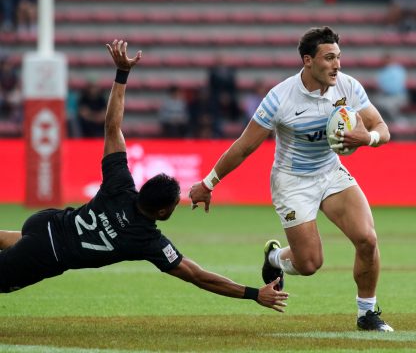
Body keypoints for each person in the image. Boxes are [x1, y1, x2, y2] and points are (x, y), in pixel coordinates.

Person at [0, 40, 289, 314]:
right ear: (162, 210)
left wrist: (122, 73)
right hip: (48, 252)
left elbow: (112, 127)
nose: (177, 206)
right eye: (175, 204)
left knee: (19, 242)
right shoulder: (146, 240)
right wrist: (254, 294)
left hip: (45, 222)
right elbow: (198, 277)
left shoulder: (120, 184)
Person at [189, 26, 393, 331]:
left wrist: (369, 138)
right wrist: (208, 183)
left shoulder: (348, 87)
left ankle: (367, 313)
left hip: (330, 172)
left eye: (338, 57)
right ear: (308, 60)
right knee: (310, 264)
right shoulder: (280, 98)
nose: (337, 64)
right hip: (293, 181)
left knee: (367, 239)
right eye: (329, 57)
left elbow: (382, 128)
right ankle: (274, 257)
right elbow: (245, 146)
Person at [373, 54, 408, 124]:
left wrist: (385, 89)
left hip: (398, 96)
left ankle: (399, 121)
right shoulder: (382, 71)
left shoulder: (398, 70)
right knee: (374, 103)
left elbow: (396, 87)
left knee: (389, 105)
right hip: (385, 96)